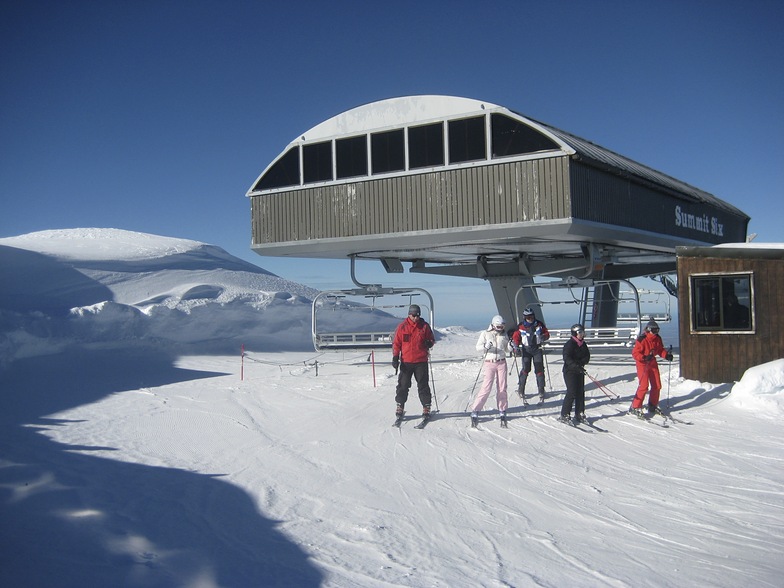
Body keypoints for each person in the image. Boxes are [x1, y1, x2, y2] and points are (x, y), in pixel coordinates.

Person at [392, 304, 436, 420]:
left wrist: (429, 343)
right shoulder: (402, 327)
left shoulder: (424, 326)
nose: (416, 318)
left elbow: (431, 339)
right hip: (406, 362)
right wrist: (395, 357)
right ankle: (400, 405)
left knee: (423, 385)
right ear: (409, 314)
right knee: (403, 385)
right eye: (413, 315)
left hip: (421, 361)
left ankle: (426, 406)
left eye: (417, 315)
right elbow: (396, 343)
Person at [470, 315, 511, 427]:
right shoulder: (485, 333)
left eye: (502, 326)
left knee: (502, 387)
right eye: (498, 326)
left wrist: (511, 347)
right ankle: (475, 409)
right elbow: (478, 347)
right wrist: (485, 346)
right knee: (486, 387)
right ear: (493, 325)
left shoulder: (504, 334)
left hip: (502, 362)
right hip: (489, 363)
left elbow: (506, 349)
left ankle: (502, 409)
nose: (500, 328)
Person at [630, 319, 673, 417]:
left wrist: (666, 355)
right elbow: (635, 353)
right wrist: (644, 357)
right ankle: (635, 406)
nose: (655, 333)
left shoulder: (657, 338)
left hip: (652, 362)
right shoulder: (642, 339)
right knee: (644, 386)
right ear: (649, 330)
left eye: (657, 330)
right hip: (642, 364)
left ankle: (652, 405)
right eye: (654, 331)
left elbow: (660, 350)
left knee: (657, 385)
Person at [510, 307, 550, 403]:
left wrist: (543, 337)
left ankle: (541, 390)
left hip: (537, 349)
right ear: (524, 317)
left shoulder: (539, 324)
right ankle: (521, 389)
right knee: (525, 369)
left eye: (531, 316)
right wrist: (516, 347)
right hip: (526, 350)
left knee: (539, 370)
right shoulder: (521, 326)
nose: (530, 318)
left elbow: (547, 333)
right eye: (527, 317)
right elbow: (516, 337)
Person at [559, 323, 591, 424]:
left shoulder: (583, 344)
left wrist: (581, 364)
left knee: (580, 392)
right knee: (572, 392)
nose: (582, 334)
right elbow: (567, 358)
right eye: (580, 332)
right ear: (574, 333)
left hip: (579, 371)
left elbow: (587, 356)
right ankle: (565, 414)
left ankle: (579, 413)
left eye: (583, 332)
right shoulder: (570, 344)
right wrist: (575, 365)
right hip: (570, 371)